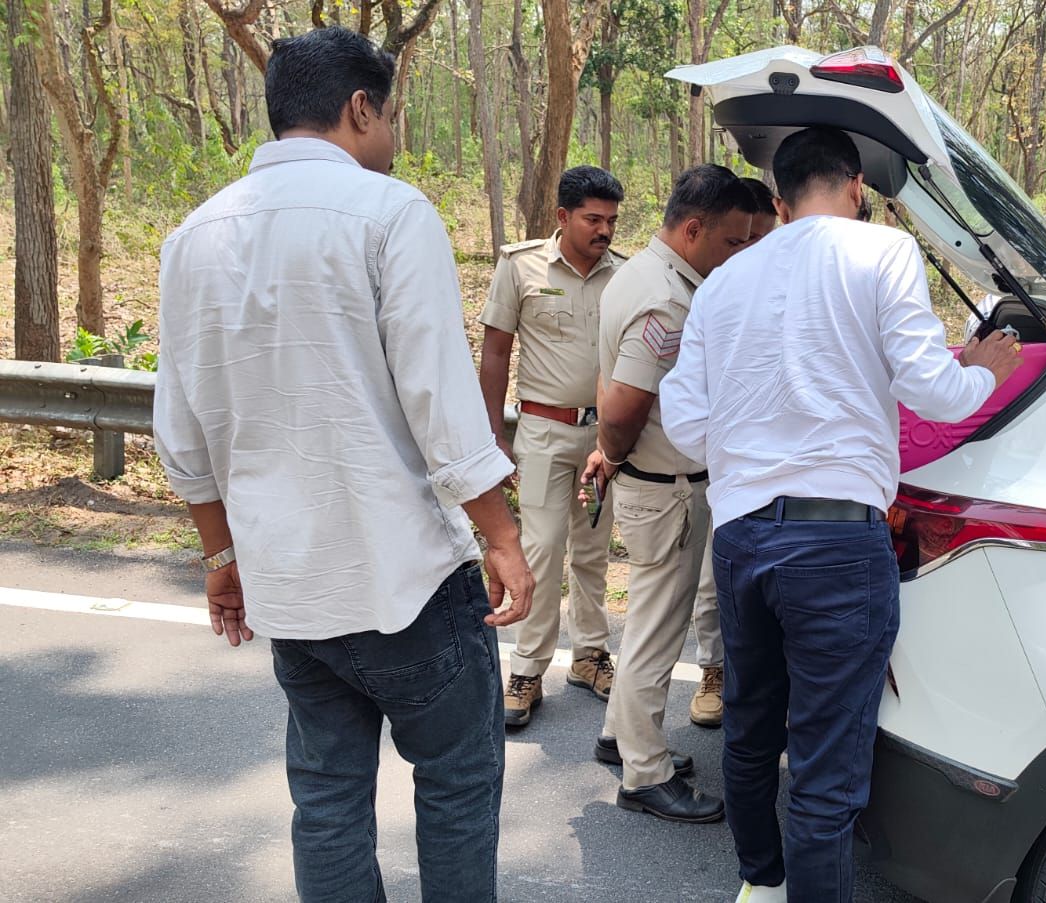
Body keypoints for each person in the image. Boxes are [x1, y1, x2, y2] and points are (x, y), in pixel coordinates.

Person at [152, 27, 533, 902]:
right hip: (407, 582)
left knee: (326, 800)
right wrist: (502, 536)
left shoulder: (192, 237)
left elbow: (182, 433)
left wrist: (220, 558)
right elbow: (442, 403)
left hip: (292, 591)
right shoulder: (390, 213)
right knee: (456, 786)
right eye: (390, 115)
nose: (392, 134)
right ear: (361, 108)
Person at [660, 127, 1022, 901]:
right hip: (836, 542)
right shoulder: (883, 252)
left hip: (743, 535)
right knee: (825, 763)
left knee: (750, 727)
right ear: (856, 187)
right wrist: (984, 371)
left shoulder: (724, 280)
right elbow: (930, 389)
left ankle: (760, 883)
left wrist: (752, 438)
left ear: (781, 199)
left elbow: (685, 422)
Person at [582, 164, 760, 822]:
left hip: (654, 482)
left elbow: (613, 383)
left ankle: (619, 735)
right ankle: (645, 772)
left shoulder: (641, 272)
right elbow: (624, 406)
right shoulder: (669, 301)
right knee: (658, 633)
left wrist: (613, 454)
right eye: (731, 241)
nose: (737, 255)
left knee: (646, 624)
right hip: (668, 491)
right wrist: (612, 451)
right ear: (692, 229)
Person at [480, 166, 627, 727]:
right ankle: (527, 668)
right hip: (542, 433)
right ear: (563, 217)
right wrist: (492, 433)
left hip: (604, 436)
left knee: (592, 550)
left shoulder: (625, 274)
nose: (604, 230)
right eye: (593, 219)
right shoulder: (521, 267)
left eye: (611, 220)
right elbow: (496, 352)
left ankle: (590, 656)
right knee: (540, 549)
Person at [686, 176, 780, 731]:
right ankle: (713, 672)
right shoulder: (713, 292)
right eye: (742, 240)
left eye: (761, 239)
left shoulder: (786, 293)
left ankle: (757, 686)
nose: (750, 250)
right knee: (712, 582)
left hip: (769, 475)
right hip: (717, 467)